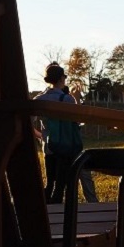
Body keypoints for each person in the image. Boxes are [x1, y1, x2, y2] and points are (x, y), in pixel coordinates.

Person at [35, 63, 83, 205]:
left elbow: (28, 121)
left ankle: (46, 211)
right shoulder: (67, 99)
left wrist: (41, 136)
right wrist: (77, 98)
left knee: (50, 182)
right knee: (61, 184)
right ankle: (60, 212)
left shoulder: (39, 99)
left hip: (49, 147)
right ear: (62, 78)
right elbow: (77, 120)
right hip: (65, 146)